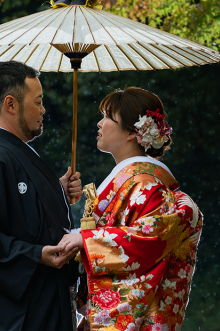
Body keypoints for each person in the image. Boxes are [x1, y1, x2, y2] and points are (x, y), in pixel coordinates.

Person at [60, 87, 203, 331]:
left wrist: (86, 241)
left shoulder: (147, 185)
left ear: (131, 132)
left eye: (107, 117)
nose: (99, 123)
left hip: (143, 317)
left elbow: (148, 239)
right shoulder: (135, 181)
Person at [0, 61, 83, 331]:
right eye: (37, 102)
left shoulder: (15, 154)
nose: (43, 110)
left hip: (48, 305)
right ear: (11, 105)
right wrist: (36, 255)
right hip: (26, 316)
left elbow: (23, 217)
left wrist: (57, 191)